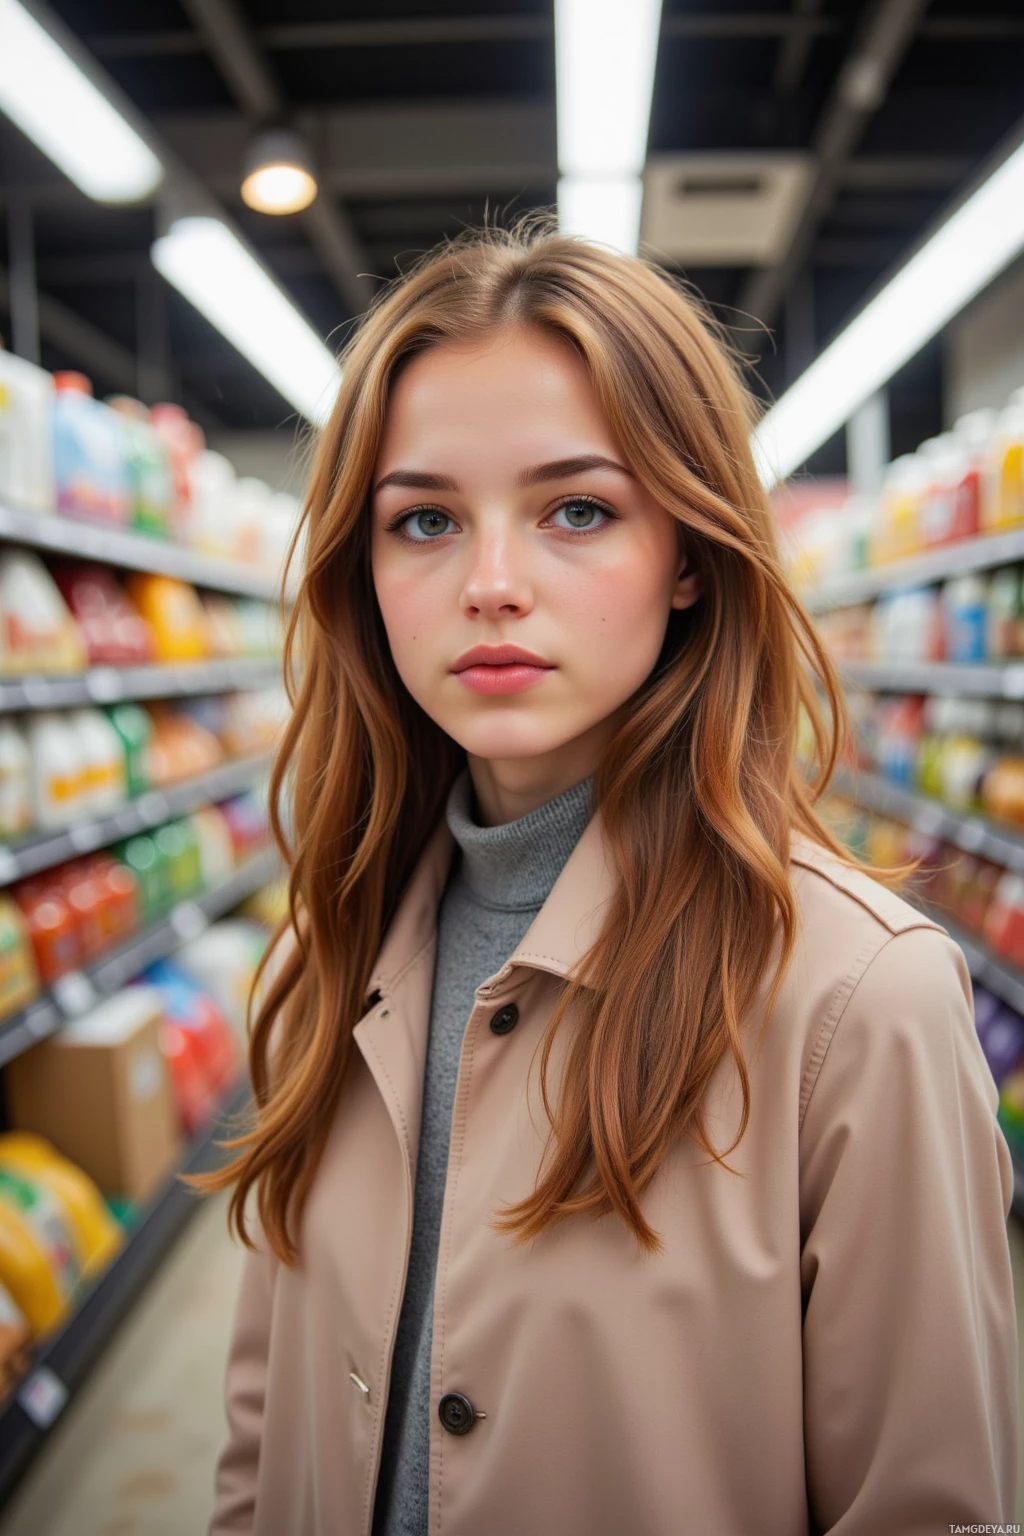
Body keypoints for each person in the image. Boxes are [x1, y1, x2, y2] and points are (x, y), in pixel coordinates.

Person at [203, 223, 1017, 1536]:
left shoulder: (859, 1001)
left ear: (690, 556)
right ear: (364, 570)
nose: (492, 585)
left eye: (578, 509)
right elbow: (264, 1422)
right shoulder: (328, 949)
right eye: (423, 520)